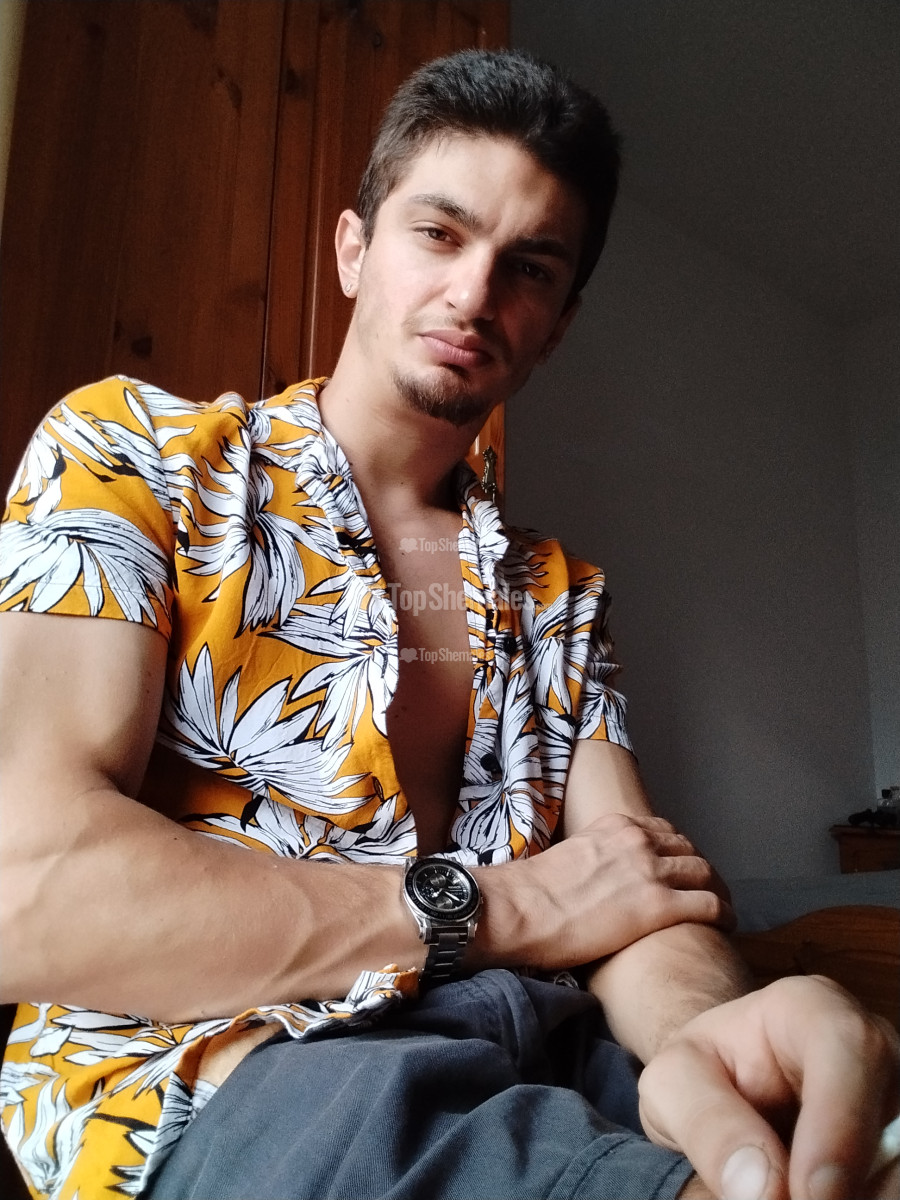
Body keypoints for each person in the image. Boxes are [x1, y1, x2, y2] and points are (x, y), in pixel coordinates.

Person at [0, 48, 896, 1200]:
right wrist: (502, 905)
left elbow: (638, 895)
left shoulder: (560, 595)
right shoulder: (133, 458)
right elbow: (25, 890)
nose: (475, 293)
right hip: (235, 1066)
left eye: (529, 267)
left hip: (547, 1045)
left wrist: (708, 1041)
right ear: (353, 251)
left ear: (556, 324)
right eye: (438, 233)